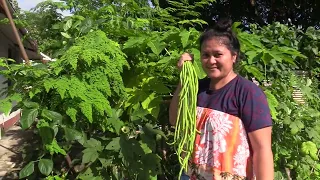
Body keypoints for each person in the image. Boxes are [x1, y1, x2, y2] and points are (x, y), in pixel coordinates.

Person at [169, 19, 274, 180]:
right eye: (206, 55)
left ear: (233, 56)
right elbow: (175, 120)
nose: (211, 61)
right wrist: (183, 80)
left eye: (218, 54)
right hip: (191, 175)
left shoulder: (247, 92)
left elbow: (262, 149)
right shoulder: (196, 89)